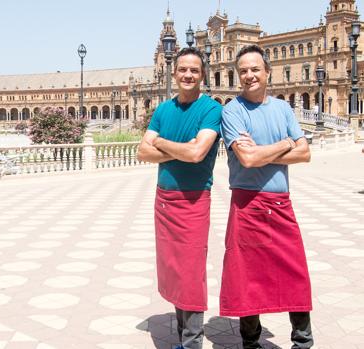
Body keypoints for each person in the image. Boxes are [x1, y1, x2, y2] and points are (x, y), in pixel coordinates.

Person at [219, 44, 313, 348]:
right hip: (247, 204)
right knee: (247, 277)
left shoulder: (282, 108)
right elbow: (247, 160)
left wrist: (262, 152)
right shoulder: (232, 110)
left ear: (267, 72)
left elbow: (305, 153)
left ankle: (302, 341)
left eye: (254, 69)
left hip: (280, 202)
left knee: (295, 270)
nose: (249, 75)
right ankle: (251, 342)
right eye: (243, 70)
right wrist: (286, 143)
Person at [137, 47, 222, 349]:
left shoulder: (211, 109)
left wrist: (160, 142)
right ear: (174, 73)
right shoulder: (163, 109)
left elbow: (198, 153)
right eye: (183, 69)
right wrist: (178, 147)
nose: (188, 75)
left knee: (191, 270)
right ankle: (183, 338)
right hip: (164, 199)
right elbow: (142, 152)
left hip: (194, 199)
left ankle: (192, 342)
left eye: (194, 70)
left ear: (202, 75)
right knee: (172, 267)